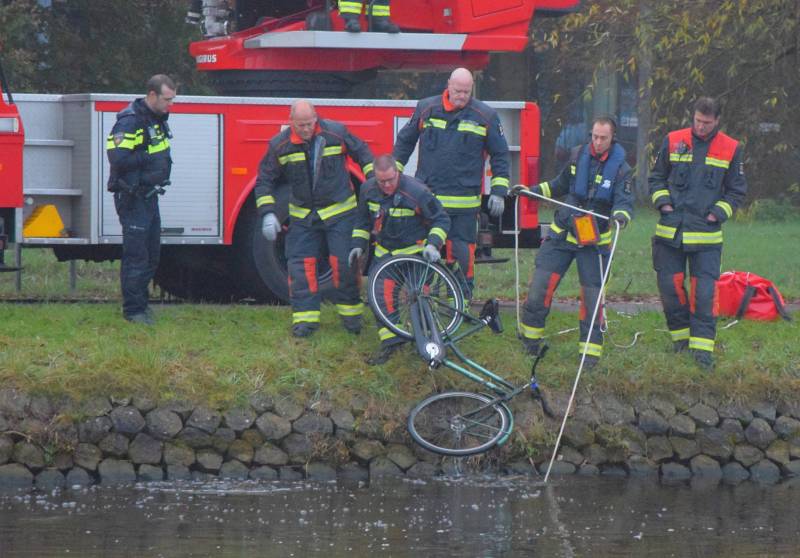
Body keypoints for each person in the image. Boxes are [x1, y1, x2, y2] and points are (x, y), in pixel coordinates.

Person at [513, 116, 634, 369]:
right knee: (539, 290)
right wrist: (530, 191)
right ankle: (530, 344)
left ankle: (589, 358)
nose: (597, 142)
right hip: (561, 236)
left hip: (595, 244)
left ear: (613, 139)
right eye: (594, 136)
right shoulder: (577, 156)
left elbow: (624, 201)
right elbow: (558, 185)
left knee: (591, 301)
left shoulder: (621, 169)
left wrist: (621, 216)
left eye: (603, 138)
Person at [254, 99, 374, 338]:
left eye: (309, 124)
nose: (306, 129)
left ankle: (352, 321)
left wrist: (373, 189)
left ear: (316, 118)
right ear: (291, 122)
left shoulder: (335, 133)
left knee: (345, 265)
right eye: (301, 125)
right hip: (303, 217)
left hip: (340, 213)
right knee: (300, 268)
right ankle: (305, 322)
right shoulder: (280, 145)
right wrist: (267, 213)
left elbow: (364, 155)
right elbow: (264, 180)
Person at [393, 67, 511, 299]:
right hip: (429, 200)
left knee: (462, 255)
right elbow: (404, 143)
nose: (462, 96)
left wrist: (498, 191)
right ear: (448, 85)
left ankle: (462, 303)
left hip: (464, 205)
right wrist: (395, 180)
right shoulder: (426, 108)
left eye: (467, 92)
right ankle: (422, 302)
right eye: (458, 91)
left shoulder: (485, 115)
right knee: (424, 251)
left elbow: (500, 154)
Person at [649, 97, 747, 369]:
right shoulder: (673, 140)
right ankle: (681, 342)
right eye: (697, 121)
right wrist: (663, 203)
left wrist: (718, 213)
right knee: (670, 289)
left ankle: (702, 351)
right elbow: (656, 177)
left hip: (706, 237)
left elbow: (737, 190)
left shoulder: (731, 148)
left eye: (706, 122)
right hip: (671, 232)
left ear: (717, 121)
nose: (701, 127)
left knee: (704, 295)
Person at [348, 154, 450, 364]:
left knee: (421, 297)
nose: (386, 185)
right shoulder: (368, 190)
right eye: (381, 181)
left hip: (416, 254)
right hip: (385, 254)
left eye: (390, 180)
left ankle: (429, 343)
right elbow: (362, 222)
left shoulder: (417, 192)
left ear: (398, 173)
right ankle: (391, 344)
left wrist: (433, 244)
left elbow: (441, 219)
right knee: (381, 297)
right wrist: (358, 246)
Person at [106, 74, 176, 325]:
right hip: (133, 197)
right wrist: (147, 159)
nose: (171, 104)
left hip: (149, 196)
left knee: (151, 255)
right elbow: (118, 158)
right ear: (152, 95)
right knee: (136, 256)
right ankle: (133, 310)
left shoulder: (154, 119)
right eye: (167, 99)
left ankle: (141, 307)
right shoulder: (130, 121)